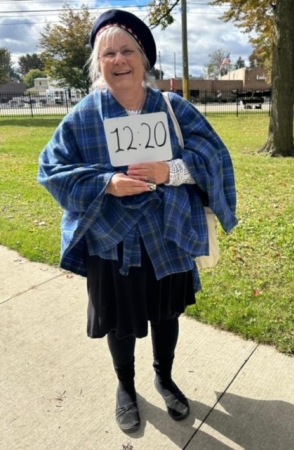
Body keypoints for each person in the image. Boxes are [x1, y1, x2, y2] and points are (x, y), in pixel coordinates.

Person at [38, 8, 237, 434]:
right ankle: (126, 387)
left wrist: (173, 171)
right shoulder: (85, 114)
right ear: (98, 64)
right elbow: (50, 169)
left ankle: (164, 378)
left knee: (167, 315)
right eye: (107, 54)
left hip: (168, 235)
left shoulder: (173, 108)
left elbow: (214, 157)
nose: (118, 60)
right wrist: (107, 183)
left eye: (127, 50)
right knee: (120, 320)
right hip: (112, 243)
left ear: (144, 59)